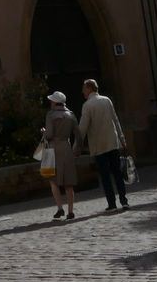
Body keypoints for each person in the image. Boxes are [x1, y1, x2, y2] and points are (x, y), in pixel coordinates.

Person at [78, 77, 131, 212]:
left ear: (89, 88)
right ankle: (124, 200)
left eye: (84, 88)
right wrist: (122, 139)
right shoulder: (106, 100)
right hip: (112, 142)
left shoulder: (87, 105)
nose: (83, 91)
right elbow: (116, 120)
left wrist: (77, 145)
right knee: (117, 173)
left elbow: (83, 127)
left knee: (105, 176)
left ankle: (112, 203)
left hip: (99, 145)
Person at [40, 91, 79, 220]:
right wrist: (76, 150)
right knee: (69, 182)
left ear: (54, 102)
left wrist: (44, 132)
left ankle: (60, 208)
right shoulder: (71, 115)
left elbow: (49, 134)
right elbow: (78, 134)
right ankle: (70, 211)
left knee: (53, 179)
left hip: (53, 149)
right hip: (66, 148)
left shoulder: (50, 115)